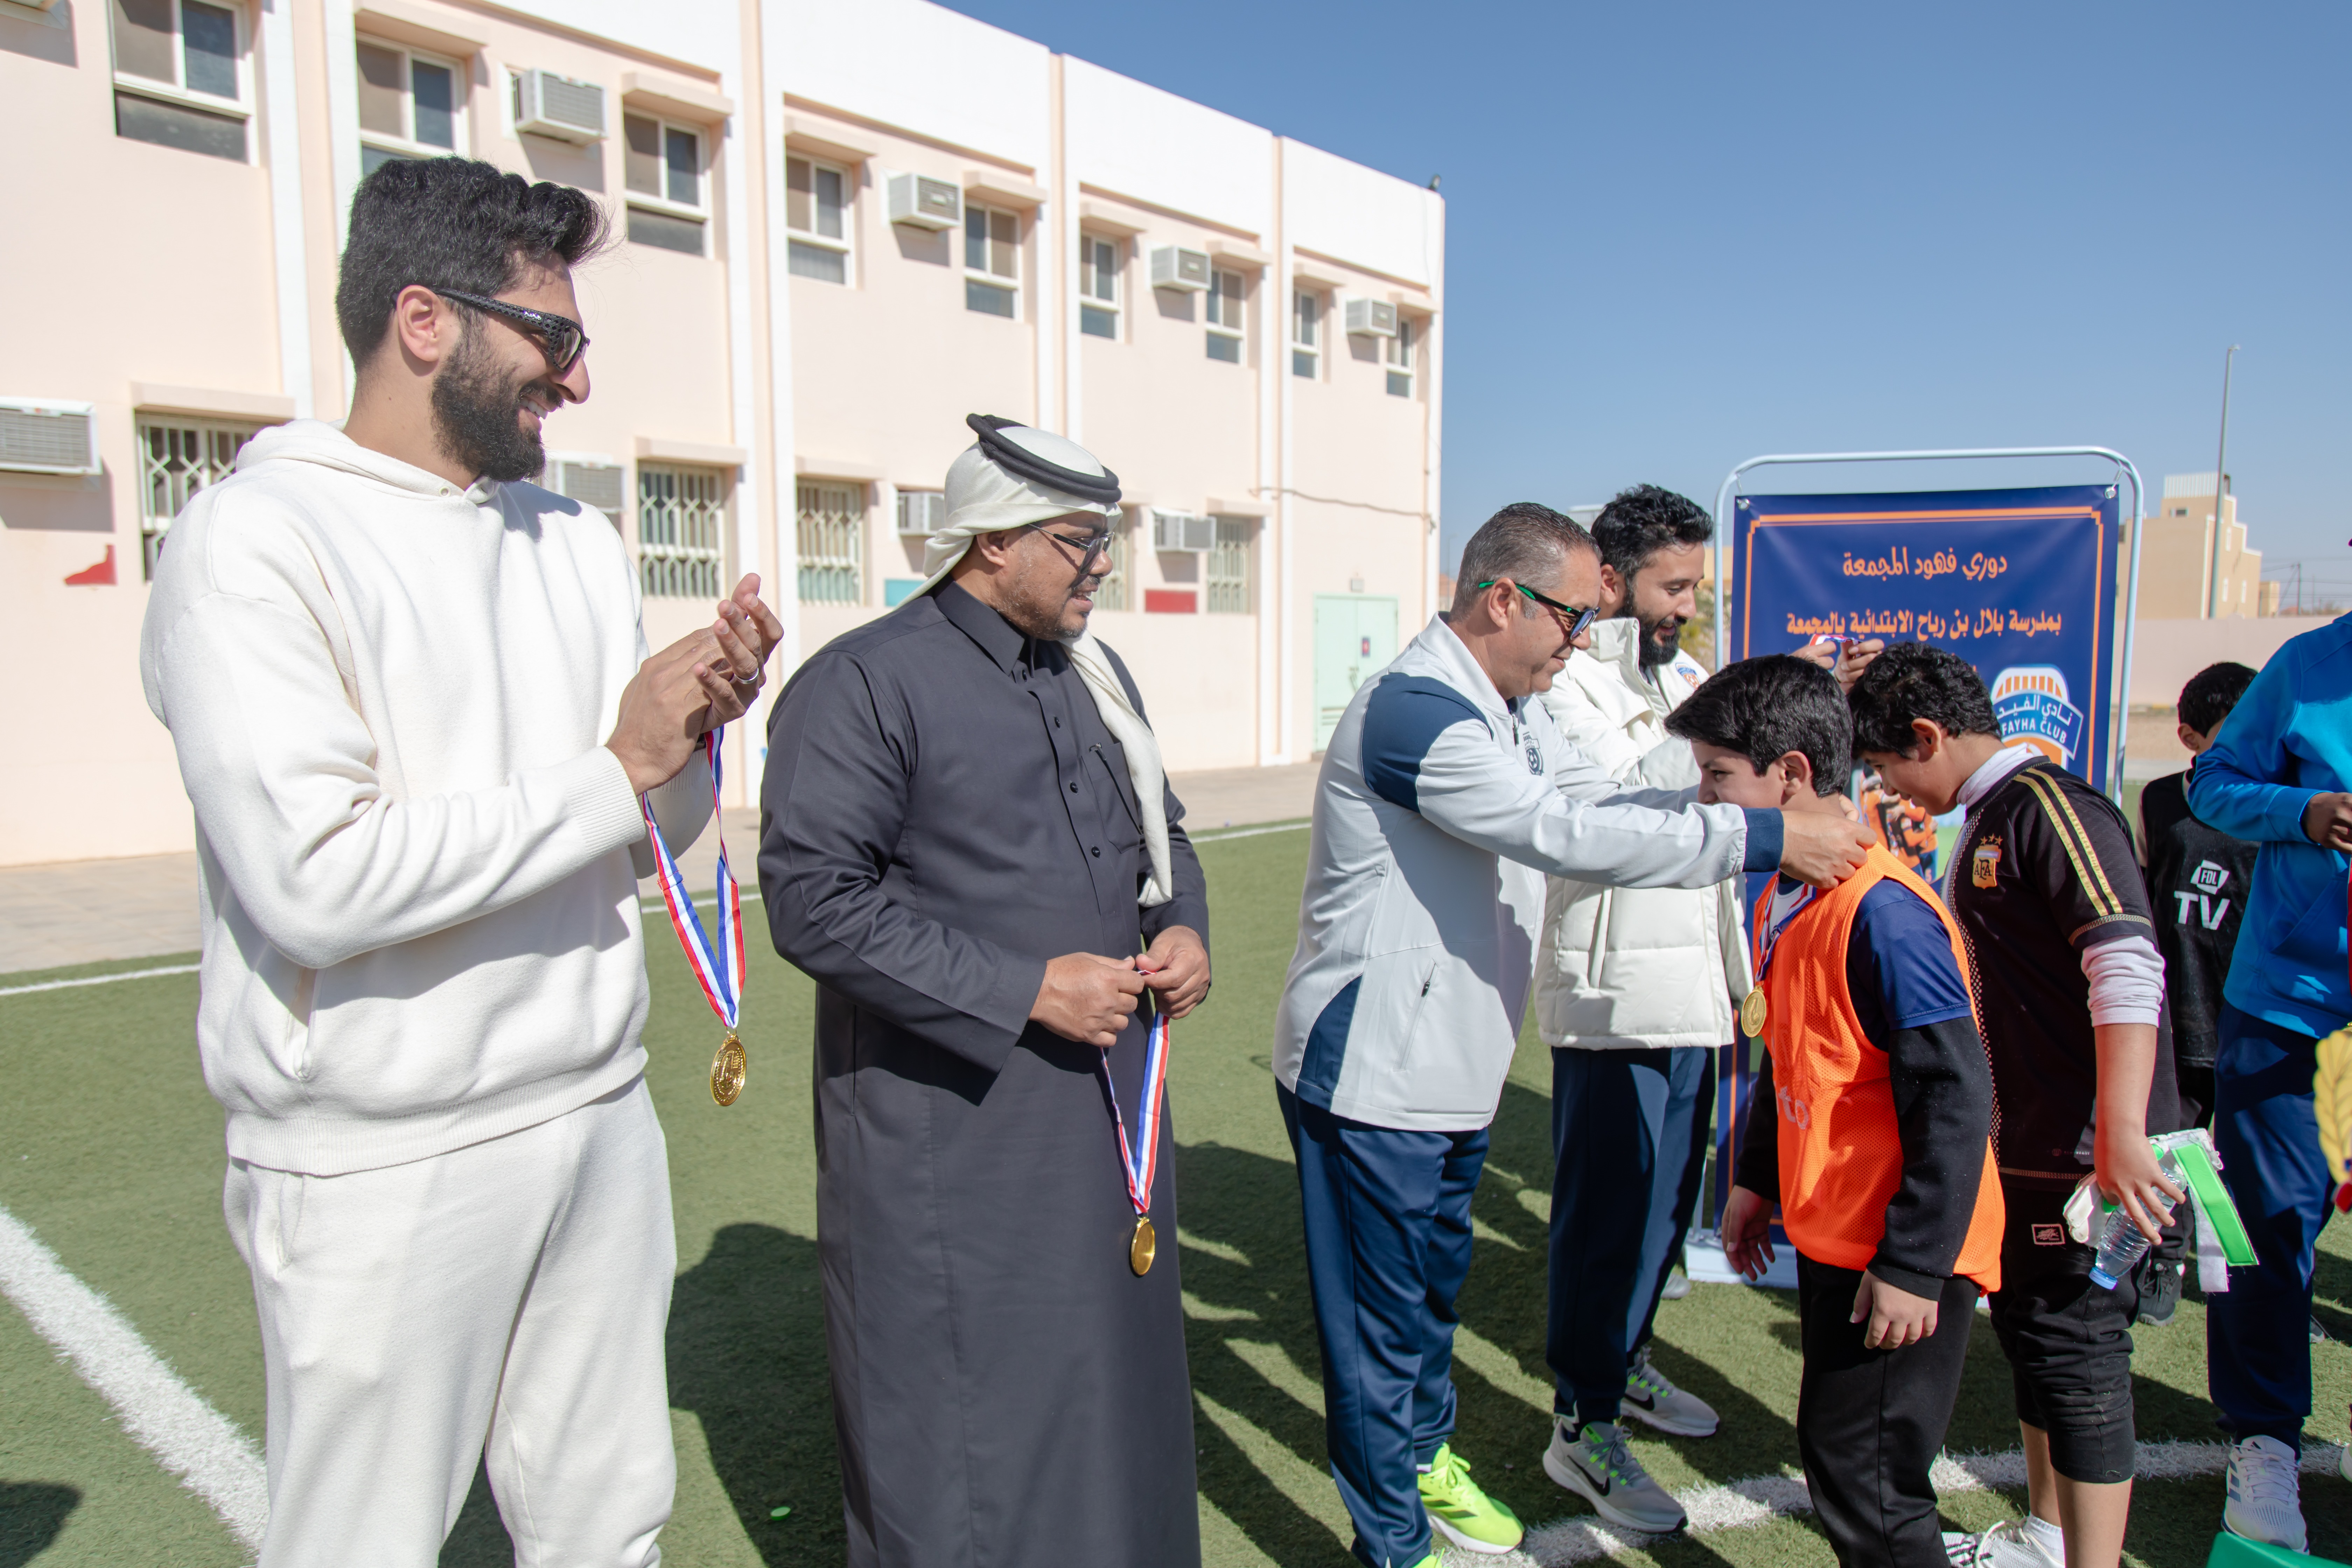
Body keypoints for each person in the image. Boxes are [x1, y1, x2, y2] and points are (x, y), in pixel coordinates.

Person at [138, 157, 784, 1566]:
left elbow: (639, 834)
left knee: (610, 1521)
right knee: (362, 1543)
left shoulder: (575, 542)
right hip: (381, 1148)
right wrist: (615, 768)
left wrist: (694, 734)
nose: (576, 381)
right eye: (553, 339)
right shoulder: (252, 543)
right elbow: (316, 878)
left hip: (599, 1103)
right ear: (424, 321)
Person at [1274, 503, 1875, 1562]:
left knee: (1427, 1297)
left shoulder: (1515, 702)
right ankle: (1394, 1540)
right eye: (1569, 615)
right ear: (1503, 597)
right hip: (1372, 1068)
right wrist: (1765, 832)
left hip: (1452, 1059)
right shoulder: (1419, 709)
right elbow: (1557, 832)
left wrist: (1720, 765)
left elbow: (1602, 791)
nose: (1583, 638)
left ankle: (1423, 1458)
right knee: (1379, 1325)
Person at [759, 416, 1212, 1568]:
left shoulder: (1098, 676)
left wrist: (1184, 929)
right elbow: (815, 902)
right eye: (1077, 541)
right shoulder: (862, 682)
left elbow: (1164, 836)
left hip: (1108, 1118)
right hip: (951, 1144)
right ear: (991, 543)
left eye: (1105, 538)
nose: (1100, 564)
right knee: (970, 1436)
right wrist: (1024, 989)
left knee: (1111, 1407)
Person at [1844, 644, 2180, 1568]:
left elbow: (2125, 959)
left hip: (2084, 1155)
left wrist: (2117, 1133)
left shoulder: (2051, 807)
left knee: (2077, 1353)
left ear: (1928, 736)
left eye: (1888, 769)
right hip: (2029, 1147)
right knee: (2038, 1340)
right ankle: (2045, 1534)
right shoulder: (1993, 814)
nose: (1894, 794)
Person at [1684, 656, 2003, 1568]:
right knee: (1842, 1454)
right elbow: (1793, 1051)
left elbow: (1956, 1093)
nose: (1703, 797)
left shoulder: (1886, 914)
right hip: (1836, 1236)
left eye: (1718, 776)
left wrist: (1911, 1265)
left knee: (1869, 1480)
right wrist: (1753, 1179)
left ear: (1788, 775)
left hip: (1901, 1256)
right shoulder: (1784, 892)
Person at [1531, 485, 1737, 1477]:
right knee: (1603, 1215)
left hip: (1694, 985)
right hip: (1612, 991)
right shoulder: (1565, 679)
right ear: (1613, 581)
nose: (1687, 605)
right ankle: (1581, 1417)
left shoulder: (1685, 671)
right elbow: (1618, 801)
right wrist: (1717, 725)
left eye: (1696, 585)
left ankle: (1628, 1361)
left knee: (1664, 1210)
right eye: (1673, 585)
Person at [2186, 619, 2352, 1553]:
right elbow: (2214, 783)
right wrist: (2306, 814)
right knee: (2267, 1225)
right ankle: (2264, 1438)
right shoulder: (2307, 667)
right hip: (2290, 1007)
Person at [2134, 661, 2258, 1326]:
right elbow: (2143, 894)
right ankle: (2164, 1259)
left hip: (2249, 1012)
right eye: (2230, 735)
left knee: (2253, 1162)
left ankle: (2260, 1291)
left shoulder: (2279, 807)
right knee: (2176, 1146)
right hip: (2175, 1011)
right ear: (2188, 737)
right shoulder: (2159, 801)